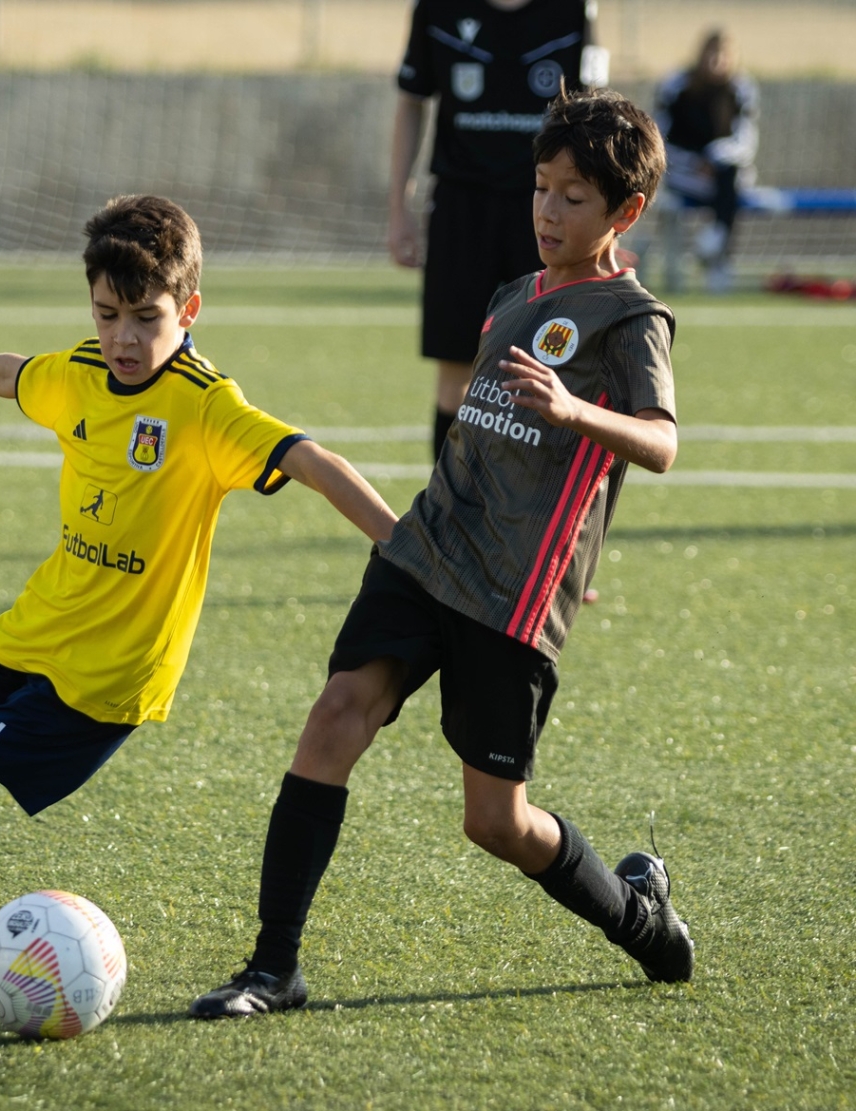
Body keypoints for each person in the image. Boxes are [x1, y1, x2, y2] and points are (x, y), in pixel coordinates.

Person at [191, 86, 693, 1020]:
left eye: (574, 196)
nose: (547, 209)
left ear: (626, 211)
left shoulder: (632, 321)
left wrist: (576, 410)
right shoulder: (513, 294)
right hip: (428, 553)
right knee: (335, 714)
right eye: (541, 188)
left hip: (513, 595)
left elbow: (662, 442)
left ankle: (638, 914)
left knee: (494, 822)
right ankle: (272, 969)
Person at [0, 195, 399, 960]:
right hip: (38, 625)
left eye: (145, 318)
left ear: (188, 310)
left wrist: (401, 543)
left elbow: (313, 462)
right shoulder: (81, 373)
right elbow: (9, 375)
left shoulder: (206, 408)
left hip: (108, 674)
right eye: (106, 313)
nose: (123, 336)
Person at [387, 0, 608, 461]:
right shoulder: (437, 10)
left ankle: (534, 509)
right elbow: (412, 102)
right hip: (460, 209)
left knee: (553, 367)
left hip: (547, 207)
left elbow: (596, 118)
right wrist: (398, 209)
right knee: (456, 370)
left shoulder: (573, 11)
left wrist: (602, 224)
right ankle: (448, 509)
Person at [655, 28, 759, 293]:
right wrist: (694, 163)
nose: (717, 61)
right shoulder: (677, 86)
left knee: (731, 178)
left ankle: (715, 253)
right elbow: (658, 138)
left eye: (724, 55)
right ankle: (715, 255)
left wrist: (713, 158)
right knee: (728, 186)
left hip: (724, 173)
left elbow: (745, 141)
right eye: (712, 54)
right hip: (681, 174)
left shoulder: (741, 88)